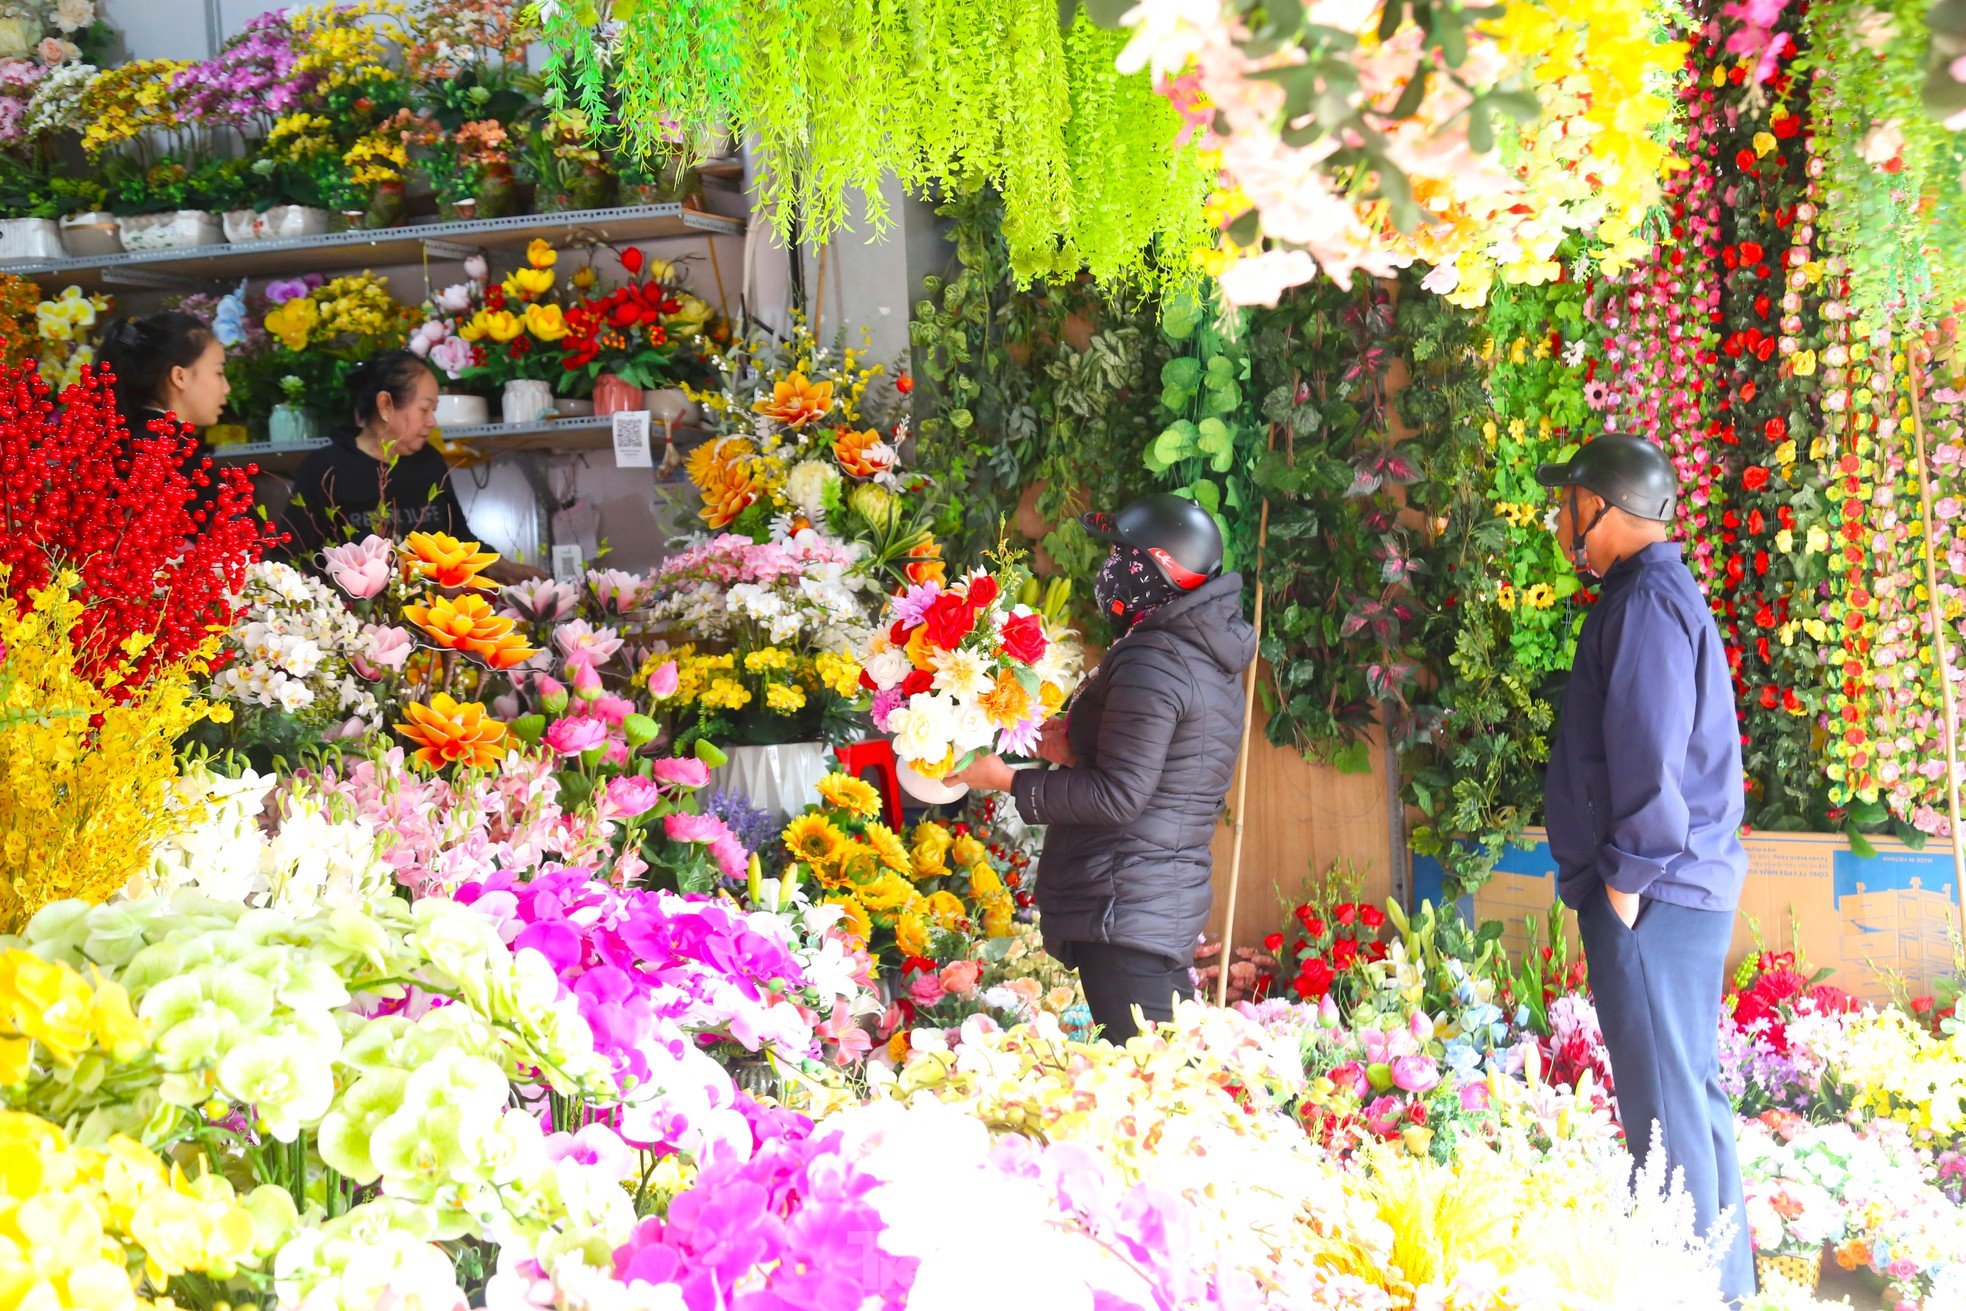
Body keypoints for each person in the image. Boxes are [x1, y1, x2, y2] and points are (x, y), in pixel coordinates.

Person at [1537, 433, 1756, 1301]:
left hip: (1654, 894)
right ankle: (1723, 1288)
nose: (1562, 522)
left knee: (1663, 1114)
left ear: (1605, 507)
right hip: (1673, 890)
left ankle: (1689, 1288)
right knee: (1685, 1101)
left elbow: (1650, 756)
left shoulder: (1646, 605)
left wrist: (1624, 883)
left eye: (1569, 505)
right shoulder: (1651, 594)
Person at [954, 494, 1256, 1042]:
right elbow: (1169, 776)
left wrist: (1004, 779)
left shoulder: (1157, 656)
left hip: (1126, 901)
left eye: (1124, 554)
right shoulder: (1200, 655)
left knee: (1150, 1091)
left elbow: (1119, 797)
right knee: (1160, 1079)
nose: (1111, 568)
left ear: (1158, 567)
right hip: (1151, 898)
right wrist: (1069, 749)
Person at [281, 350, 543, 581]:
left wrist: (501, 567)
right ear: (385, 405)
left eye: (433, 410)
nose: (432, 422)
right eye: (424, 409)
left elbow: (457, 538)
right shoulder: (324, 468)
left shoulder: (429, 462)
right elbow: (290, 558)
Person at [98, 311, 231, 511]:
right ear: (179, 376)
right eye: (218, 373)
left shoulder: (130, 438)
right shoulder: (166, 451)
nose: (226, 387)